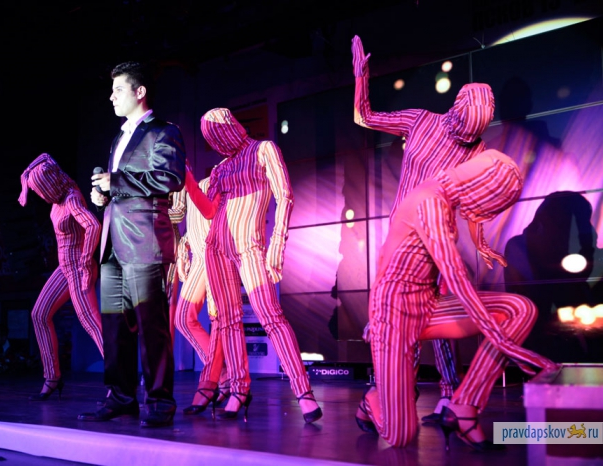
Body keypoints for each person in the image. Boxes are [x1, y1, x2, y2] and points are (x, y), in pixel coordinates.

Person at [355, 150, 557, 449]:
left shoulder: (444, 199)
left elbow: (449, 264)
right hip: (393, 313)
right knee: (400, 436)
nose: (488, 211)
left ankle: (464, 406)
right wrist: (509, 347)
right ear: (482, 185)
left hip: (428, 304)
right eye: (493, 201)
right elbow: (454, 273)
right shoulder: (429, 201)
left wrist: (481, 243)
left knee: (519, 309)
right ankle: (373, 399)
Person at [352, 35, 498, 421]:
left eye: (475, 132)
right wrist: (361, 77)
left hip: (439, 237)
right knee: (406, 314)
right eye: (465, 128)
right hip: (403, 237)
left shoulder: (477, 149)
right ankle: (396, 390)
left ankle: (445, 394)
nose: (467, 138)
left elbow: (471, 200)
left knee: (437, 311)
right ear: (456, 110)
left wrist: (480, 239)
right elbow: (365, 116)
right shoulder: (421, 121)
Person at [185, 108, 322, 423]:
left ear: (231, 126)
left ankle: (303, 392)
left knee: (271, 316)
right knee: (229, 322)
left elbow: (284, 196)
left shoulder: (264, 150)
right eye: (211, 140)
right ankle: (238, 389)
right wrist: (189, 180)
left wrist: (278, 244)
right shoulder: (220, 168)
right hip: (217, 249)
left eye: (218, 135)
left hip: (250, 247)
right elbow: (209, 212)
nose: (217, 143)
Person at [78, 61, 186, 427]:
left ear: (140, 92)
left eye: (118, 90)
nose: (111, 97)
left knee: (151, 327)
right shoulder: (117, 138)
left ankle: (160, 402)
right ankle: (121, 398)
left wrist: (117, 181)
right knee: (114, 328)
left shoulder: (164, 131)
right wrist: (104, 196)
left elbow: (169, 177)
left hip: (144, 243)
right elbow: (123, 189)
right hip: (113, 245)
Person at [18, 153, 104, 400]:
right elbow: (42, 158)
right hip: (64, 268)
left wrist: (86, 261)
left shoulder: (71, 198)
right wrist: (25, 182)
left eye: (41, 190)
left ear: (51, 183)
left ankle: (120, 381)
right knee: (39, 314)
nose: (41, 196)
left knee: (91, 323)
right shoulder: (57, 200)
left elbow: (93, 226)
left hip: (78, 267)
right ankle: (52, 377)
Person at [170, 176, 229, 415]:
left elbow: (187, 214)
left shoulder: (211, 179)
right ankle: (223, 376)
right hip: (197, 255)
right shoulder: (185, 184)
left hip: (210, 253)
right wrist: (184, 244)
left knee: (217, 320)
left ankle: (221, 379)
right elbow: (190, 218)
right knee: (184, 319)